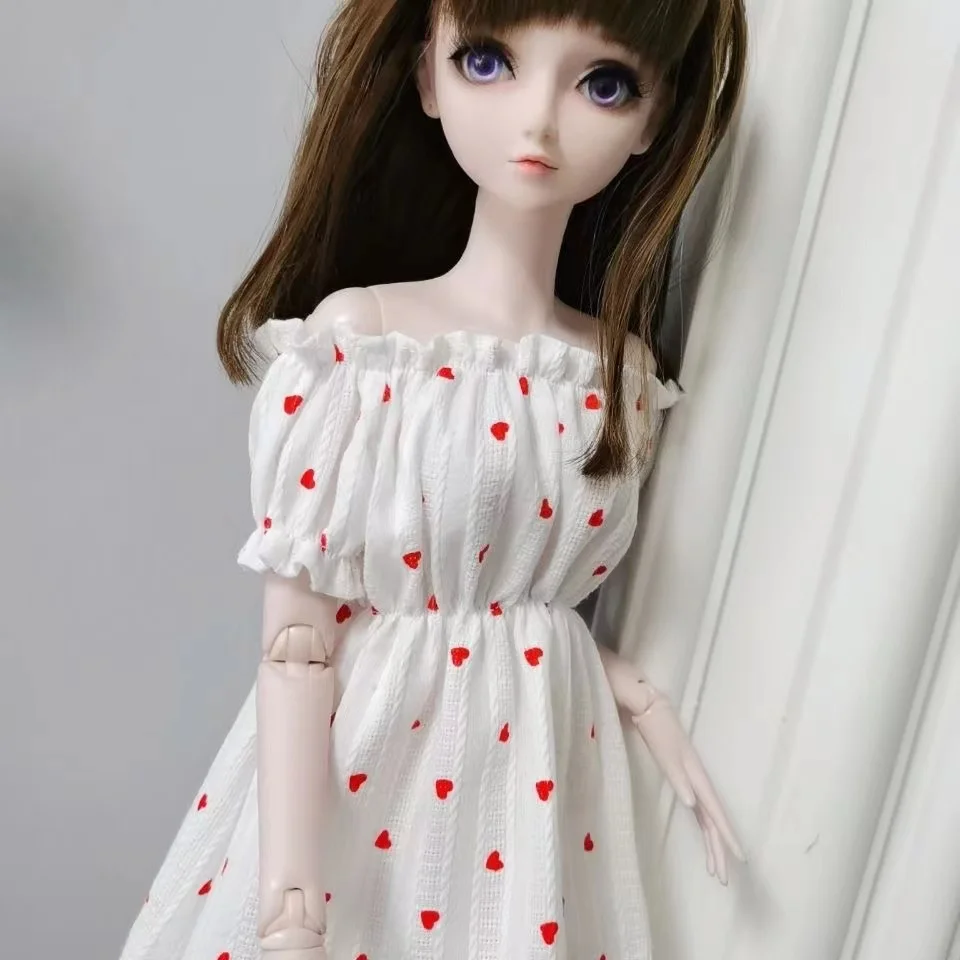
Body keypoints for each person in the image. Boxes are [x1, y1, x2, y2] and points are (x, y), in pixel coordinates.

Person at [120, 1, 747, 957]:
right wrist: (291, 903)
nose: (537, 121)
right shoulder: (365, 344)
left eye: (603, 83)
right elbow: (297, 648)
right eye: (488, 61)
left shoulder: (616, 374)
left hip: (538, 778)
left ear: (654, 118)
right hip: (376, 763)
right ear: (425, 75)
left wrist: (643, 703)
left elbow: (536, 613)